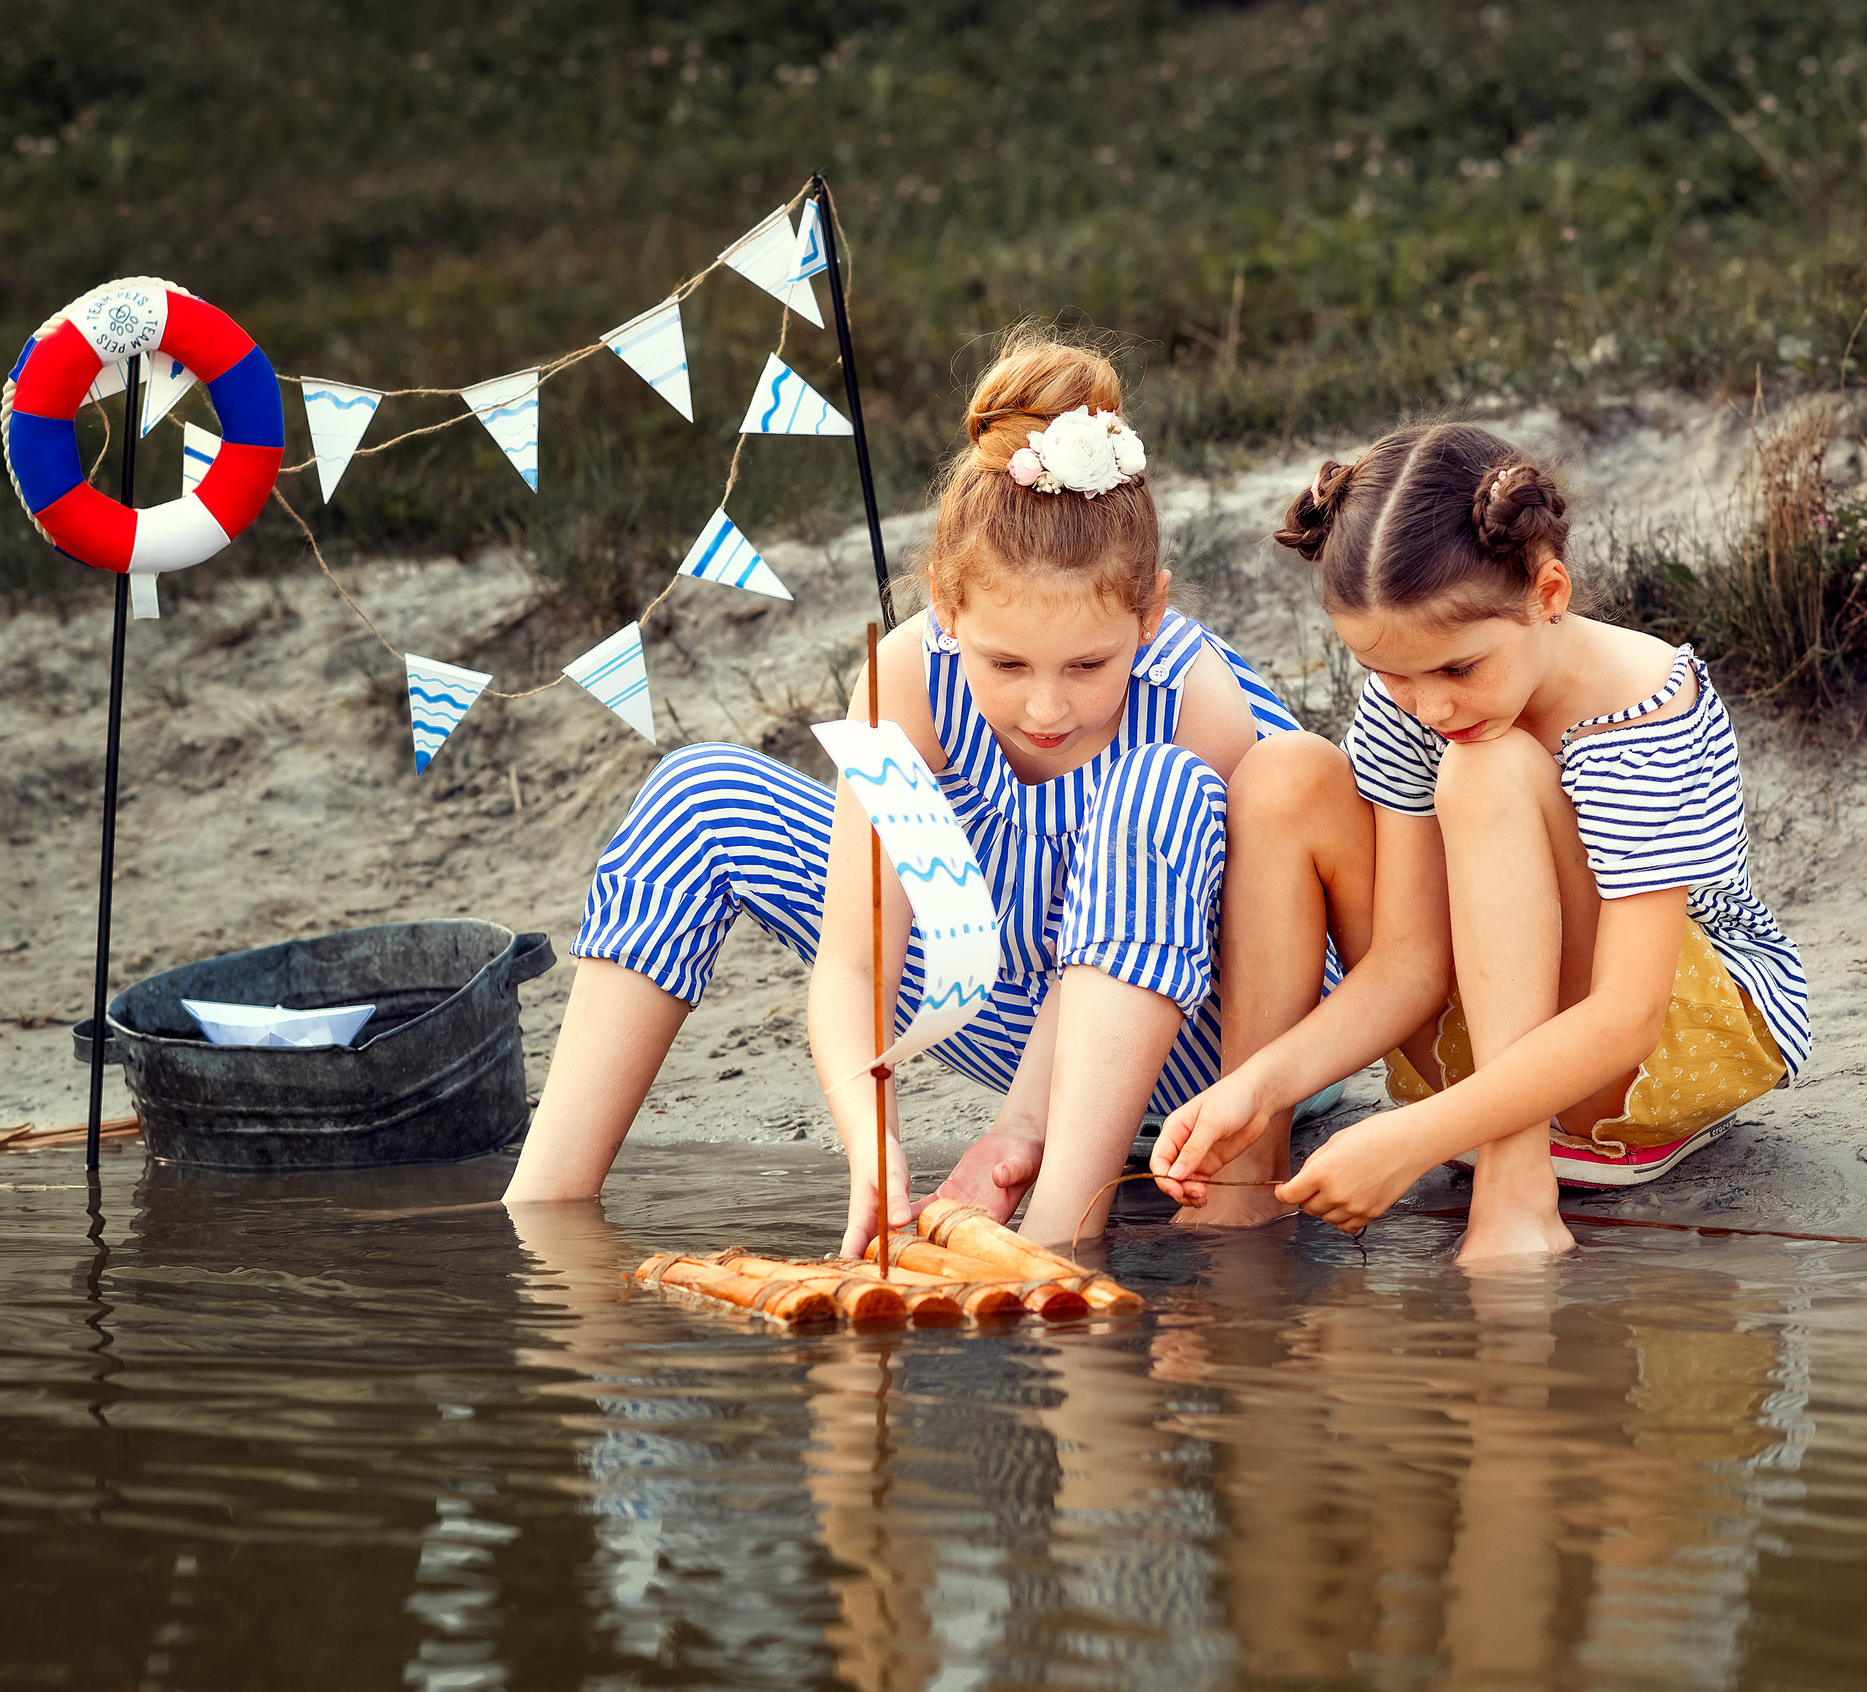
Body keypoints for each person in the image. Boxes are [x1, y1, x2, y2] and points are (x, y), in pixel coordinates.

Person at [502, 330, 1312, 1254]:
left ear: (1150, 612)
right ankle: (546, 1223)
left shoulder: (1191, 696)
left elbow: (1257, 954)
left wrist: (1029, 1125)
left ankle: (1063, 1235)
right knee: (697, 795)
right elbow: (857, 959)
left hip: (1197, 1037)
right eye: (1004, 661)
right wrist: (869, 1140)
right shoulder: (909, 680)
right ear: (944, 602)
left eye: (1090, 663)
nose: (1047, 706)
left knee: (1149, 789)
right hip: (1015, 988)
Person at [1151, 422, 1810, 1262]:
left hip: (1648, 1051)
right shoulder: (1416, 699)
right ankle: (1243, 1173)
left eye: (1458, 669)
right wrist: (1258, 1084)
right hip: (1486, 1031)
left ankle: (1514, 1185)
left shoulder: (1642, 710)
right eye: (1389, 673)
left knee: (1486, 770)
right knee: (1286, 774)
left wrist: (1415, 1136)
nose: (1428, 706)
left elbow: (1627, 1016)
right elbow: (1409, 959)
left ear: (1549, 592)